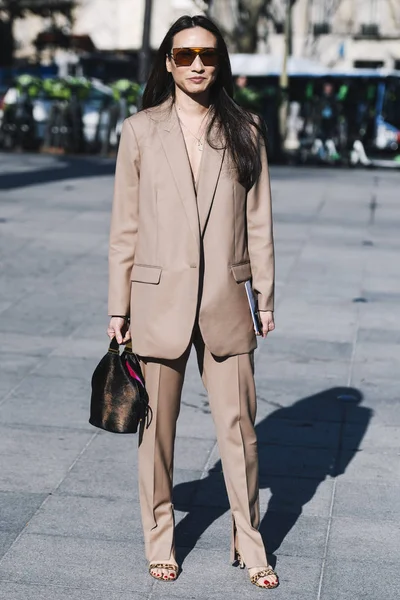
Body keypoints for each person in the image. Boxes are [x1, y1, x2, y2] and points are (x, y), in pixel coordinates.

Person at [107, 14, 278, 590]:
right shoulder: (139, 130)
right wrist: (118, 307)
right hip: (157, 299)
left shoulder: (245, 128)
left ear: (219, 60)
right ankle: (160, 538)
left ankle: (249, 540)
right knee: (156, 432)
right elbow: (124, 228)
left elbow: (260, 221)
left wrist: (265, 294)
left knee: (241, 430)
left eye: (207, 54)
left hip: (228, 298)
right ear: (168, 63)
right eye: (185, 56)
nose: (197, 64)